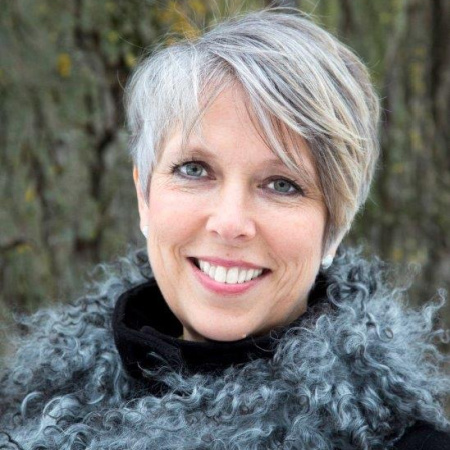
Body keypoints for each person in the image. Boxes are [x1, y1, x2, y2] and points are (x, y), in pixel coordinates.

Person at [0, 8, 449, 450]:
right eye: (194, 169)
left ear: (336, 223)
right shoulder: (30, 406)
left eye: (282, 184)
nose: (230, 223)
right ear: (144, 197)